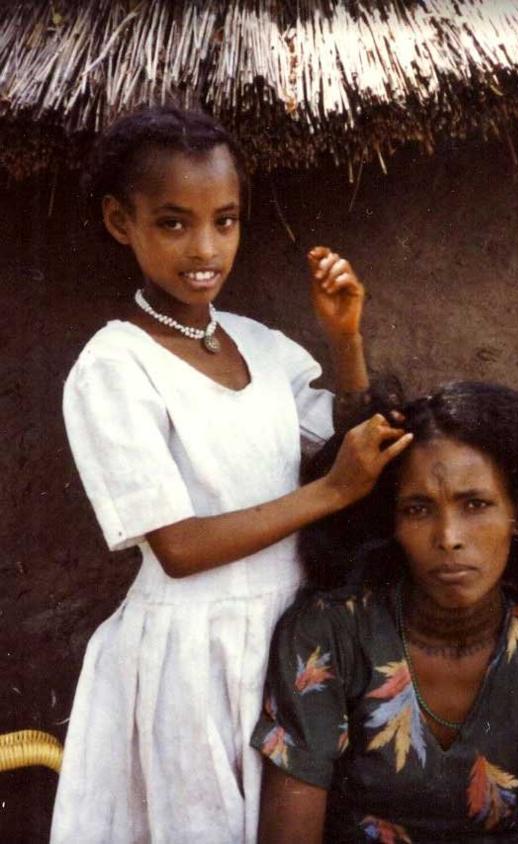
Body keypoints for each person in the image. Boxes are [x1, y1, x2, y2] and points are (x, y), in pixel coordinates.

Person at [52, 106, 411, 843]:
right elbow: (178, 549)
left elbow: (341, 438)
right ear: (123, 222)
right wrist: (330, 493)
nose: (206, 248)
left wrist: (345, 339)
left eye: (226, 220)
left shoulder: (256, 342)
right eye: (175, 223)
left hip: (286, 636)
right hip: (192, 660)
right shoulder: (113, 367)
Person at [251, 381, 518, 843]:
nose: (449, 537)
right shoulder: (332, 632)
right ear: (393, 523)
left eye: (475, 504)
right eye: (419, 509)